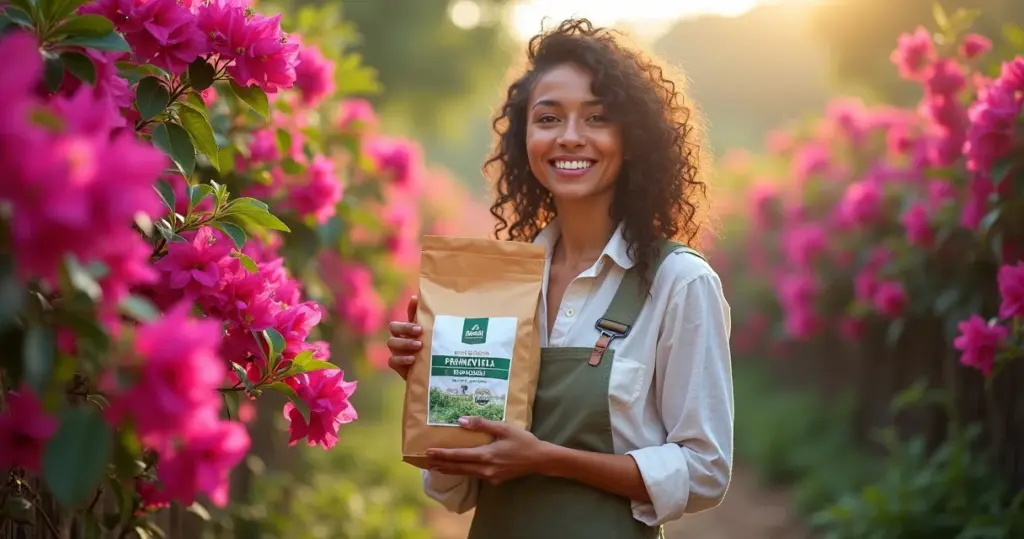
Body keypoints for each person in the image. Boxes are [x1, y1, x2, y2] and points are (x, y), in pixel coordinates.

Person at [385, 18, 733, 539]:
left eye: (597, 118)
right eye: (548, 118)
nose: (570, 137)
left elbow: (705, 471)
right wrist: (434, 388)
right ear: (525, 139)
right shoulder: (497, 285)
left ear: (632, 138)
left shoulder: (679, 282)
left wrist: (548, 459)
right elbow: (454, 491)